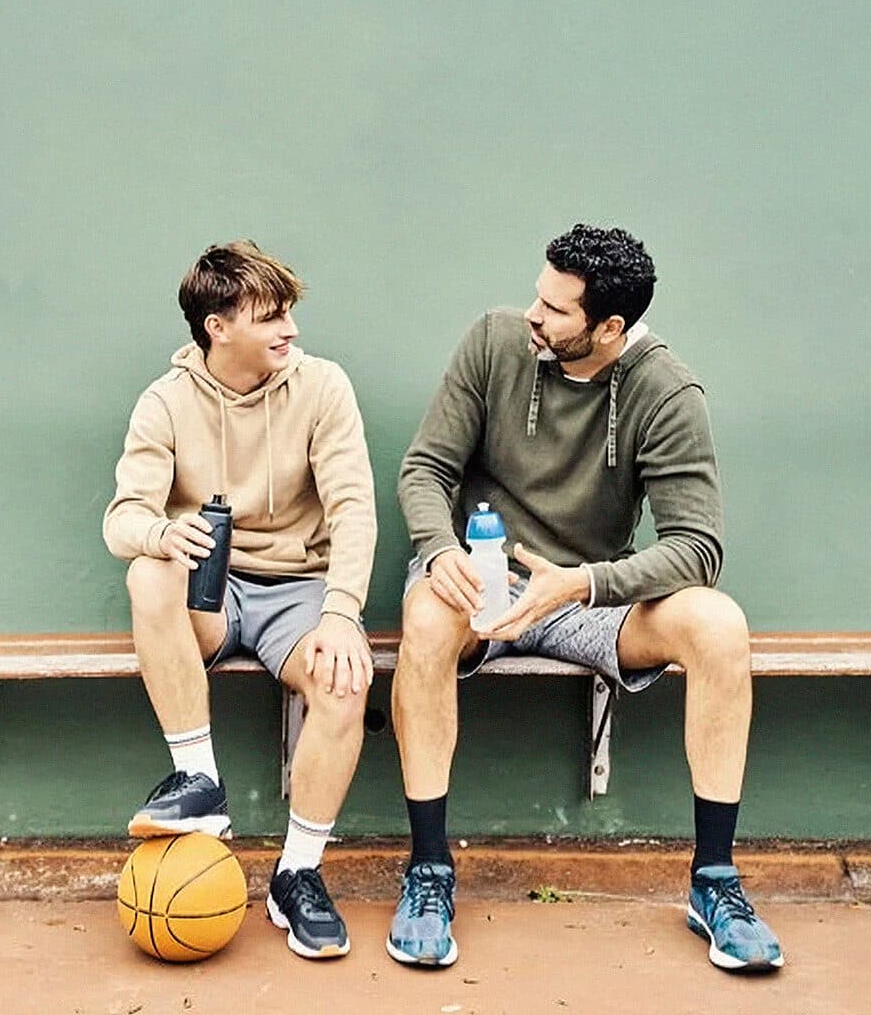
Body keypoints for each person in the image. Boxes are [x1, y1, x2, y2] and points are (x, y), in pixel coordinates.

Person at [388, 224, 783, 974]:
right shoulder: (495, 342)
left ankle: (714, 880)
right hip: (484, 577)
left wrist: (584, 583)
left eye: (555, 309)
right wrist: (440, 551)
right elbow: (425, 469)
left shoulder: (666, 391)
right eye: (537, 296)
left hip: (587, 595)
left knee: (719, 624)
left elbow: (696, 547)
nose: (533, 315)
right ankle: (429, 870)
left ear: (609, 327)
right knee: (426, 618)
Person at [103, 240, 377, 960]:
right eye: (270, 317)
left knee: (345, 681)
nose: (290, 329)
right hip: (211, 593)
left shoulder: (322, 386)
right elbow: (122, 519)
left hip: (301, 590)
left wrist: (342, 613)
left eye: (289, 313)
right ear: (217, 328)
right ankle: (200, 781)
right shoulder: (165, 402)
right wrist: (165, 533)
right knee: (145, 573)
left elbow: (353, 509)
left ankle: (298, 874)